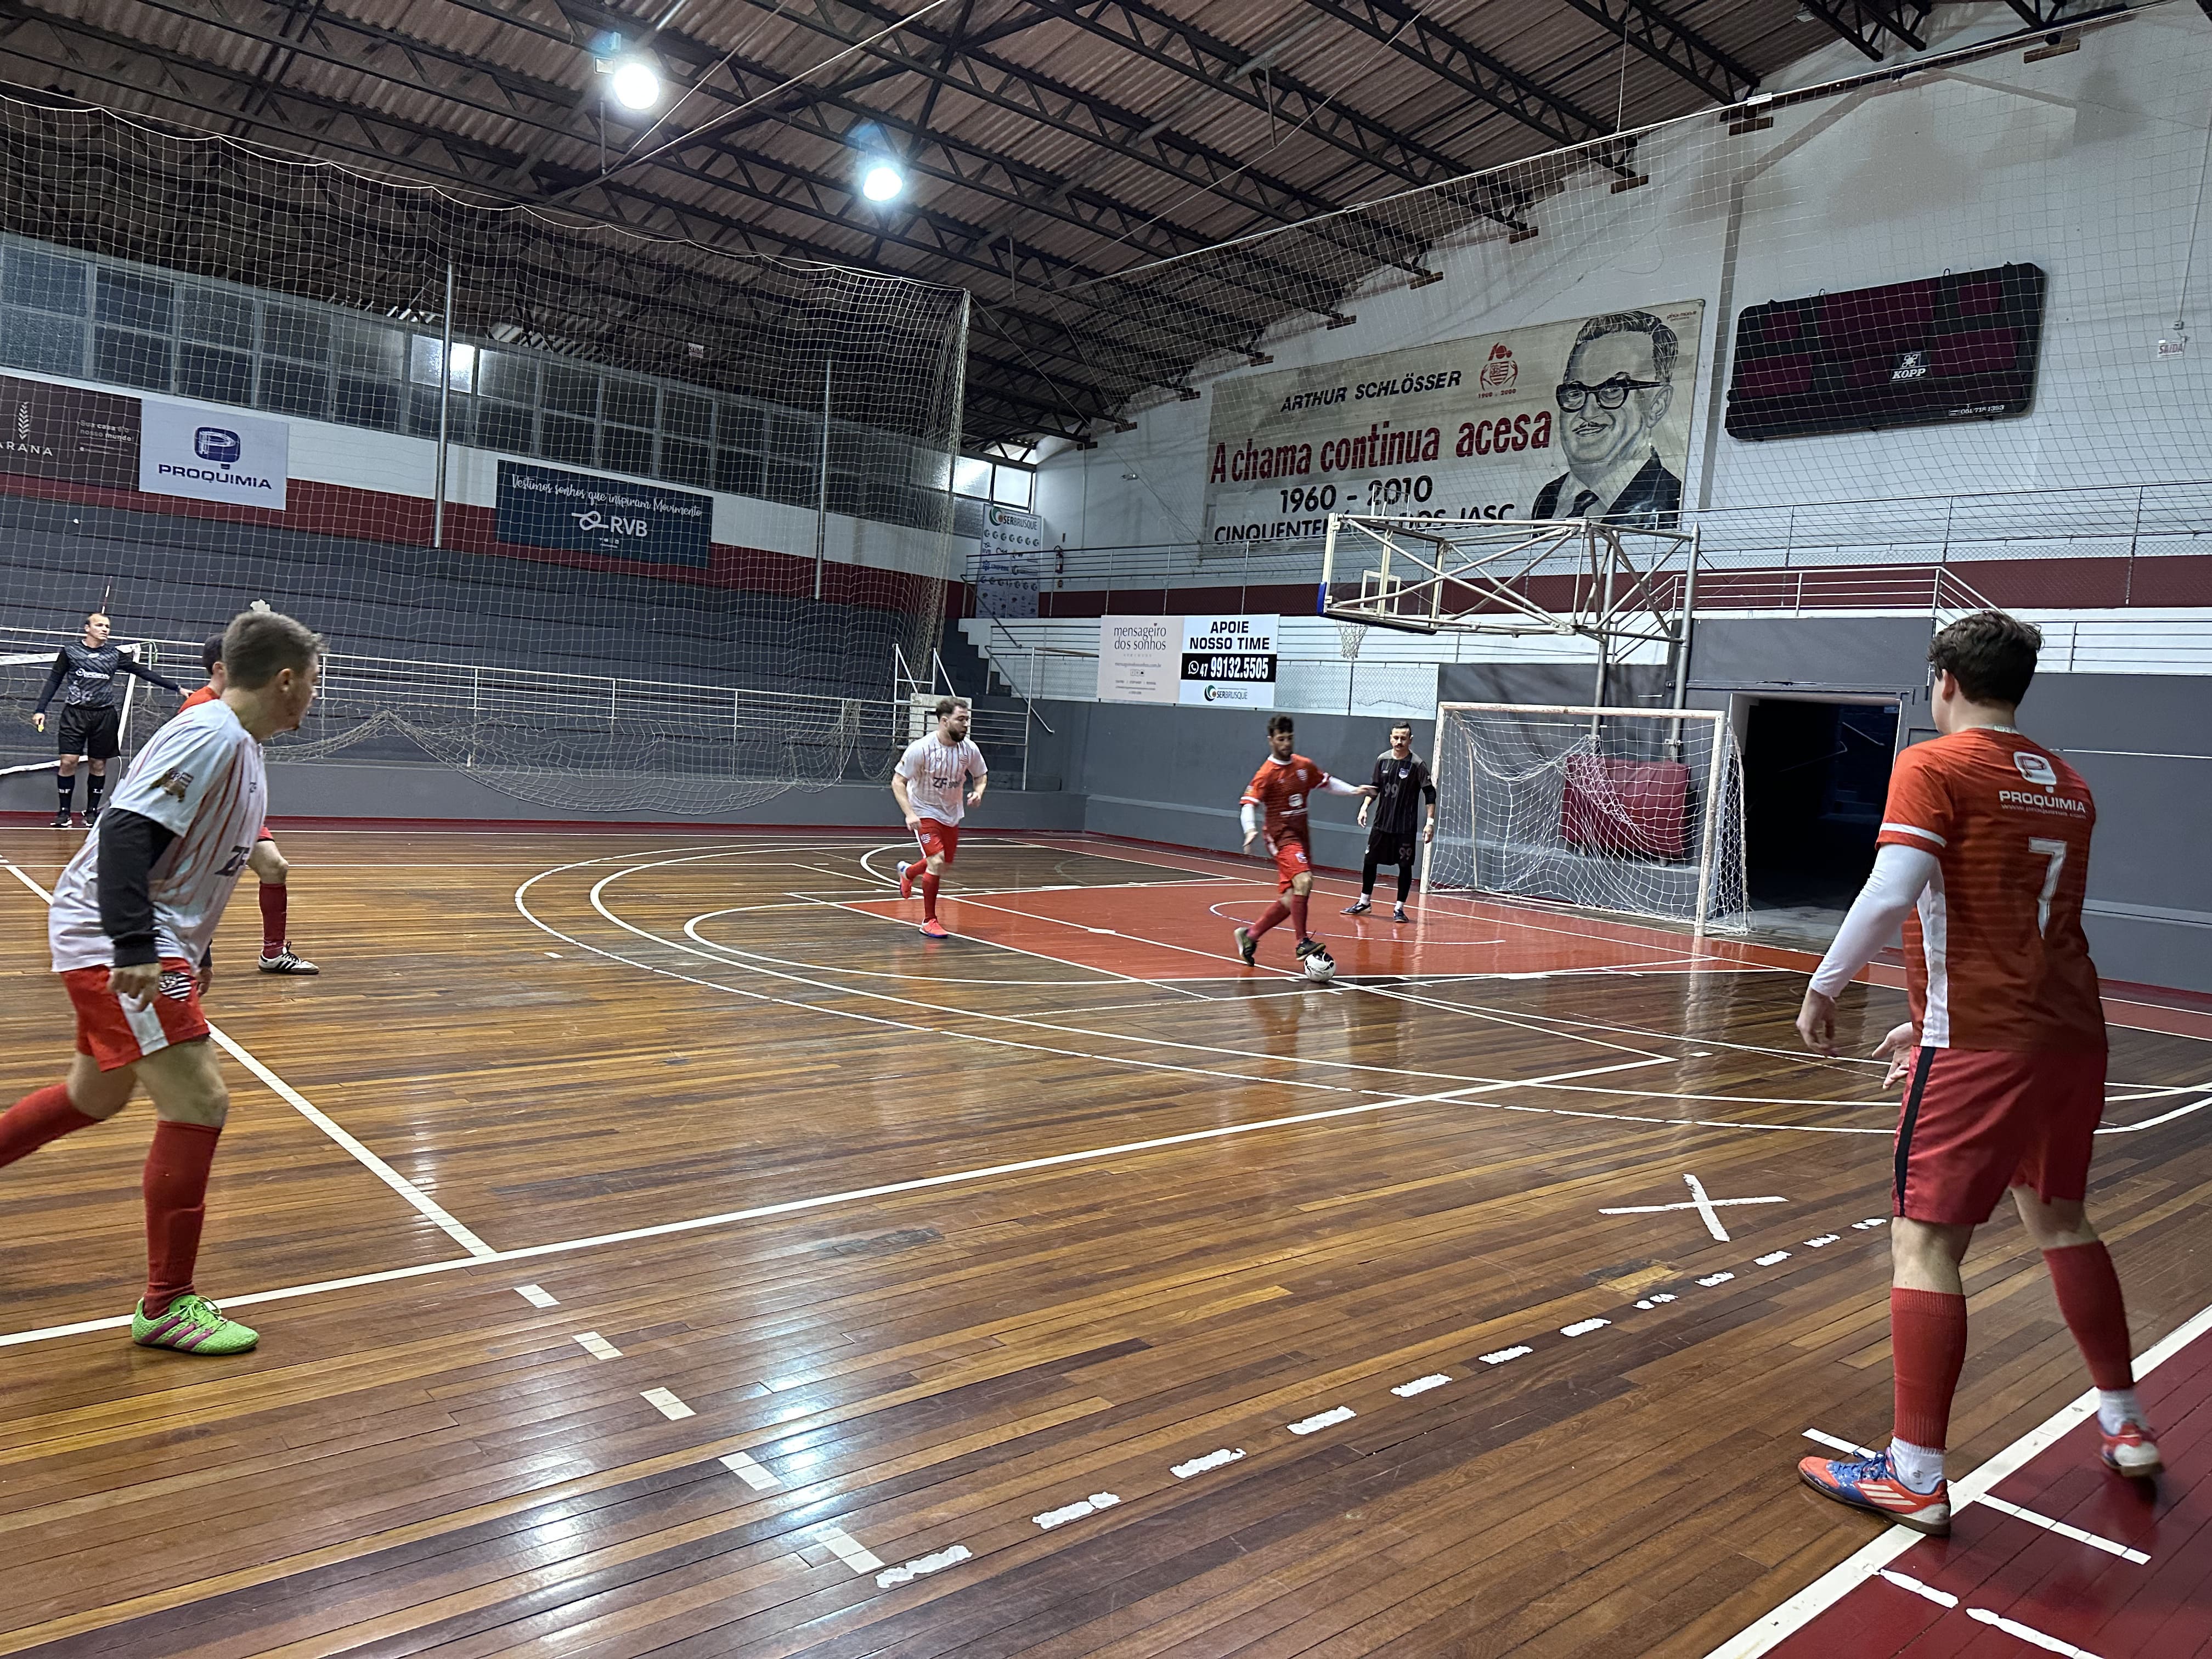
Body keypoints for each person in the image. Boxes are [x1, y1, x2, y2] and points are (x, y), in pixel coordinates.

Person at [1792, 611, 2153, 1538]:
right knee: (2061, 1219)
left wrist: (1825, 983)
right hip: (2070, 1035)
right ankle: (2123, 1423)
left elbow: (1892, 888)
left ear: (1941, 678)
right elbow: (2012, 919)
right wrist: (1922, 1015)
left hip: (1981, 1044)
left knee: (1924, 1246)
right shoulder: (2067, 784)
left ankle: (1912, 1473)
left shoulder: (1933, 762)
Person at [0, 610, 322, 1356]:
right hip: (115, 936)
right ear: (285, 680)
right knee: (201, 1100)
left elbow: (190, 858)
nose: (314, 694)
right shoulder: (210, 735)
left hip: (145, 935)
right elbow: (122, 831)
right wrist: (139, 945)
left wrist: (193, 951)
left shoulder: (237, 742)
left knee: (95, 1096)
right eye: (312, 680)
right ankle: (168, 1305)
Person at [179, 633, 318, 975]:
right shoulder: (200, 708)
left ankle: (272, 954)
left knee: (274, 867)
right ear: (222, 667)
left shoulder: (242, 703)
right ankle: (192, 955)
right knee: (198, 881)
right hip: (206, 810)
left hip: (236, 808)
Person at [1235, 713, 1372, 969]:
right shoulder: (1266, 774)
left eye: (1290, 738)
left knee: (1290, 900)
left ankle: (1250, 936)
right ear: (1271, 741)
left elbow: (1327, 783)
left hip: (1301, 837)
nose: (1286, 744)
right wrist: (1250, 830)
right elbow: (1248, 804)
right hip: (1280, 836)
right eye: (1281, 739)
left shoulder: (1302, 766)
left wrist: (1354, 790)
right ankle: (1302, 942)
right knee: (1305, 880)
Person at [30, 610, 185, 828]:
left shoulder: (114, 655)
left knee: (98, 763)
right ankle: (64, 813)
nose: (105, 629)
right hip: (74, 714)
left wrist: (177, 688)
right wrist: (41, 709)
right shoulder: (71, 652)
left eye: (107, 627)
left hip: (103, 716)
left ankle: (92, 812)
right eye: (100, 625)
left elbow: (142, 672)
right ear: (87, 628)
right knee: (68, 762)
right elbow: (54, 679)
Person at [1531, 311, 1684, 529]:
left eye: (1612, 389)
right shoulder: (1548, 499)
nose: (1587, 413)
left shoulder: (1672, 500)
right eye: (1575, 392)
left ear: (1657, 405)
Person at [892, 697, 987, 940]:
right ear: (945, 722)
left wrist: (978, 791)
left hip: (952, 813)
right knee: (936, 861)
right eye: (961, 720)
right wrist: (910, 813)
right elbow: (898, 781)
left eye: (967, 720)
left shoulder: (970, 750)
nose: (966, 725)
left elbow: (981, 775)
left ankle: (909, 873)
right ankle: (929, 920)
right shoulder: (921, 749)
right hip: (924, 811)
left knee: (943, 863)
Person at [1346, 722, 1436, 923]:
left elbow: (1429, 792)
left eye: (1403, 738)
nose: (1399, 742)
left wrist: (1430, 823)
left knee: (1405, 866)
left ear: (1410, 740)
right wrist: (1364, 806)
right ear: (1390, 738)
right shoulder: (1383, 760)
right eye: (1396, 738)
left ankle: (1399, 909)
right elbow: (1375, 787)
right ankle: (1364, 902)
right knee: (1370, 861)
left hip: (1405, 827)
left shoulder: (1417, 765)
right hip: (1382, 824)